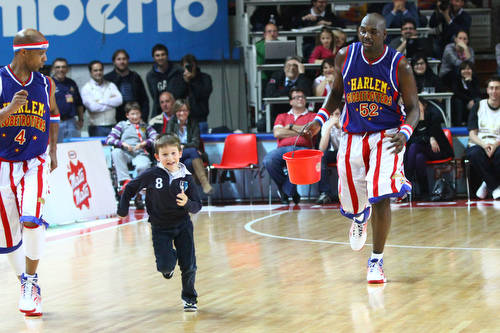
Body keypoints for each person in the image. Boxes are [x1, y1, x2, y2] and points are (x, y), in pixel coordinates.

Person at [307, 13, 420, 284]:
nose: (366, 36)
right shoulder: (345, 56)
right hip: (353, 133)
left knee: (380, 194)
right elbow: (336, 93)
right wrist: (318, 120)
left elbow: (415, 107)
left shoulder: (399, 64)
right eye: (362, 31)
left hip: (388, 134)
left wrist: (406, 132)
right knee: (352, 195)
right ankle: (359, 217)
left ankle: (376, 261)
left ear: (384, 36)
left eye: (372, 32)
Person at [0, 28, 60, 317]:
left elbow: (54, 116)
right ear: (23, 52)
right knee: (9, 239)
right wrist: (10, 109)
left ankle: (32, 281)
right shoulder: (0, 79)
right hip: (3, 165)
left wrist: (55, 152)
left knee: (32, 220)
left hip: (35, 161)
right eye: (41, 53)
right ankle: (23, 281)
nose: (45, 59)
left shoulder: (46, 83)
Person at [117, 134, 201, 312]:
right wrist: (123, 209)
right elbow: (130, 188)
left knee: (189, 265)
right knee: (164, 266)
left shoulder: (187, 177)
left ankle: (189, 298)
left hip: (183, 224)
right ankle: (169, 263)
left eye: (173, 153)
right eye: (164, 155)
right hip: (160, 226)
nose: (169, 158)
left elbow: (197, 206)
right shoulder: (151, 174)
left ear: (180, 153)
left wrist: (187, 203)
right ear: (157, 157)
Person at [263, 88, 317, 205]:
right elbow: (277, 133)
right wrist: (300, 130)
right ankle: (290, 191)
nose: (301, 99)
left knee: (295, 161)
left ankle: (285, 193)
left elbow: (309, 132)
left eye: (302, 97)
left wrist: (290, 126)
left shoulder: (313, 116)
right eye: (297, 97)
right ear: (290, 102)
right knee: (268, 160)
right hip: (282, 149)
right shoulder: (281, 116)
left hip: (303, 149)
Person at [105, 102, 158, 209]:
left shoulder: (145, 126)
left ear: (140, 114)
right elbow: (109, 139)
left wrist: (144, 143)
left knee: (143, 166)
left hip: (140, 153)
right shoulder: (122, 125)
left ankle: (138, 194)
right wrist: (122, 144)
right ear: (127, 115)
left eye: (137, 114)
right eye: (132, 114)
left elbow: (156, 137)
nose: (135, 117)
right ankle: (125, 182)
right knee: (116, 153)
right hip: (125, 152)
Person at [404, 99, 454, 200]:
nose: (417, 108)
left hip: (439, 151)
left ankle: (406, 181)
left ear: (424, 106)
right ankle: (424, 192)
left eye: (419, 105)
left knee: (415, 147)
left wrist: (430, 137)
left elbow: (437, 136)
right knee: (419, 158)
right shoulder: (411, 122)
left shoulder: (433, 117)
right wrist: (429, 138)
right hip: (422, 151)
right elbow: (411, 140)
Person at [166, 99, 212, 195]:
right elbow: (169, 141)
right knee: (192, 151)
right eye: (179, 111)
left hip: (188, 156)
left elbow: (195, 142)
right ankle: (204, 183)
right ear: (175, 112)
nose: (182, 113)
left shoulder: (193, 122)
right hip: (175, 155)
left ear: (188, 112)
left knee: (189, 163)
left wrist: (183, 146)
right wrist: (180, 147)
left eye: (185, 110)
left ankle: (186, 194)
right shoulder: (172, 122)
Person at [465, 76, 500, 200]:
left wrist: (495, 145)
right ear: (487, 90)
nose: (494, 91)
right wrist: (484, 145)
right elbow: (472, 134)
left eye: (497, 88)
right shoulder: (479, 106)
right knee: (475, 154)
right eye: (491, 88)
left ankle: (486, 184)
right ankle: (495, 187)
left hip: (498, 143)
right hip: (479, 143)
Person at [170, 54, 213, 134]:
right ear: (182, 67)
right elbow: (176, 96)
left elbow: (203, 94)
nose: (189, 69)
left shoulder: (205, 78)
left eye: (191, 66)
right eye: (186, 66)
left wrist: (192, 81)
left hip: (200, 119)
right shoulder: (179, 79)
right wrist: (185, 82)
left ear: (195, 65)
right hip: (182, 120)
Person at [104, 49, 150, 122]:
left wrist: (143, 118)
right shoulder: (108, 79)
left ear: (128, 60)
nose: (122, 62)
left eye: (124, 59)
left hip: (135, 118)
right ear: (114, 61)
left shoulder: (135, 77)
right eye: (119, 59)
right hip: (115, 119)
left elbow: (144, 100)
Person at [265, 56, 313, 125]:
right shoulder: (277, 76)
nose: (292, 68)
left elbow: (306, 93)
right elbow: (270, 94)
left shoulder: (304, 79)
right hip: (277, 113)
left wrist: (301, 74)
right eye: (289, 65)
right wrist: (290, 90)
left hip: (298, 114)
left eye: (295, 66)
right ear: (284, 68)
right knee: (262, 124)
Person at [81, 60, 123, 137]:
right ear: (91, 72)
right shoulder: (86, 88)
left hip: (113, 125)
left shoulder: (111, 85)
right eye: (95, 70)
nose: (98, 72)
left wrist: (100, 101)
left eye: (100, 70)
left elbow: (119, 101)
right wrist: (111, 103)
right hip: (96, 127)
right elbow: (93, 107)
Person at [51, 57, 84, 142]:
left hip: (72, 122)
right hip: (55, 123)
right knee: (56, 149)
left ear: (67, 69)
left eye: (63, 67)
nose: (61, 69)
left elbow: (79, 103)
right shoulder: (48, 84)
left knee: (74, 148)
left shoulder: (71, 83)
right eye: (58, 67)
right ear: (53, 69)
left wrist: (81, 119)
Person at [146, 44, 183, 117]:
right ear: (153, 58)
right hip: (158, 114)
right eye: (157, 55)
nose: (160, 58)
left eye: (163, 55)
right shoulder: (150, 76)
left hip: (178, 113)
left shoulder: (178, 72)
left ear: (167, 56)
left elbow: (183, 93)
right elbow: (154, 96)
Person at [316, 109, 341, 204]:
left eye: (337, 114)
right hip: (334, 152)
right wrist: (329, 127)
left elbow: (348, 145)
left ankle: (347, 192)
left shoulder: (346, 123)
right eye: (331, 114)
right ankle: (325, 193)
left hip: (347, 152)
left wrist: (339, 127)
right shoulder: (326, 124)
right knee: (321, 157)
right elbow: (322, 148)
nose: (334, 117)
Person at [451, 60, 481, 126]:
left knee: (478, 100)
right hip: (461, 101)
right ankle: (458, 124)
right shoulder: (456, 79)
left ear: (472, 70)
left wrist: (469, 83)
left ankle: (474, 123)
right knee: (458, 101)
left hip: (472, 102)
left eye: (468, 69)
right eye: (463, 69)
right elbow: (456, 93)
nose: (466, 71)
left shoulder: (475, 79)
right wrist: (469, 100)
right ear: (460, 71)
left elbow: (477, 94)